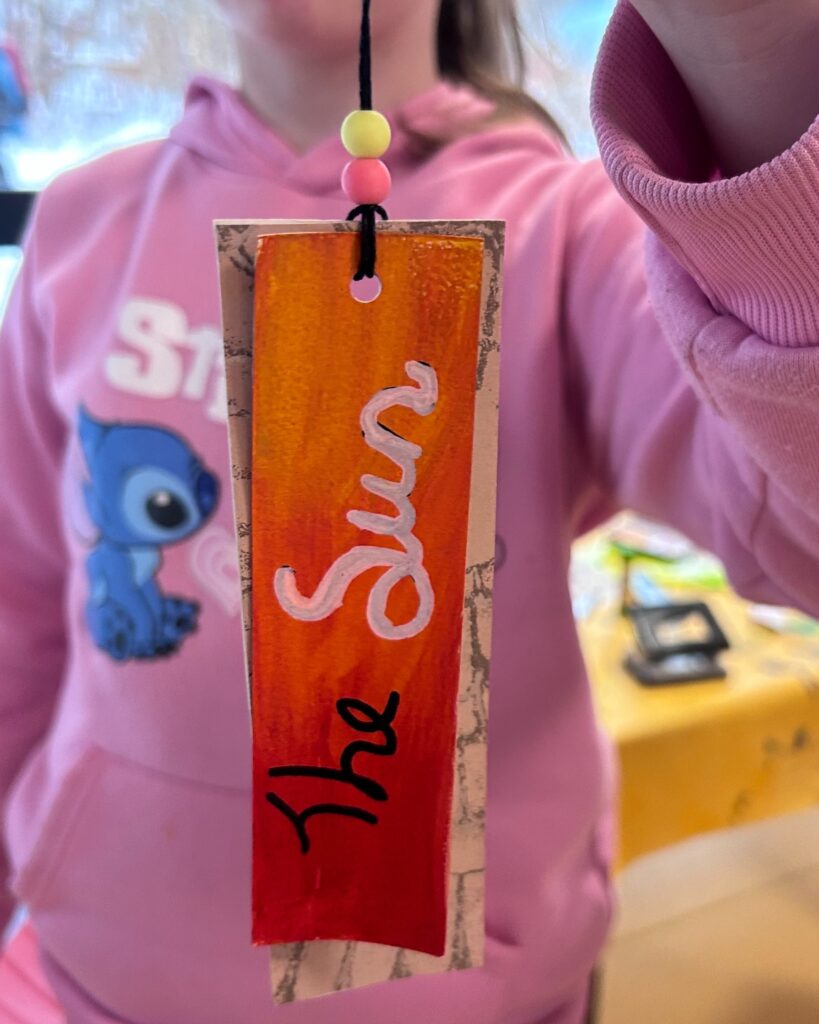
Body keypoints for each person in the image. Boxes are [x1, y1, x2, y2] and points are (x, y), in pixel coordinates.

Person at [1, 0, 818, 1021]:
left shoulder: (571, 235)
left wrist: (757, 49)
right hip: (81, 977)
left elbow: (796, 535)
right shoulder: (81, 222)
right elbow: (20, 600)